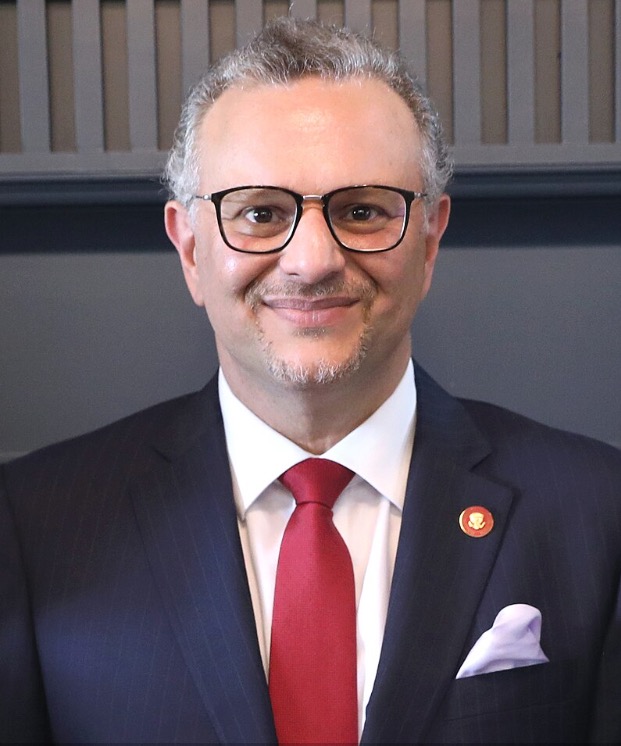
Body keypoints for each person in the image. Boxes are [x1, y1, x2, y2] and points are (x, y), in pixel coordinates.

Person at [1, 16, 620, 745]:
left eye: (362, 211)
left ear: (428, 241)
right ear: (191, 249)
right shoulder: (35, 524)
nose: (312, 260)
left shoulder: (597, 512)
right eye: (261, 213)